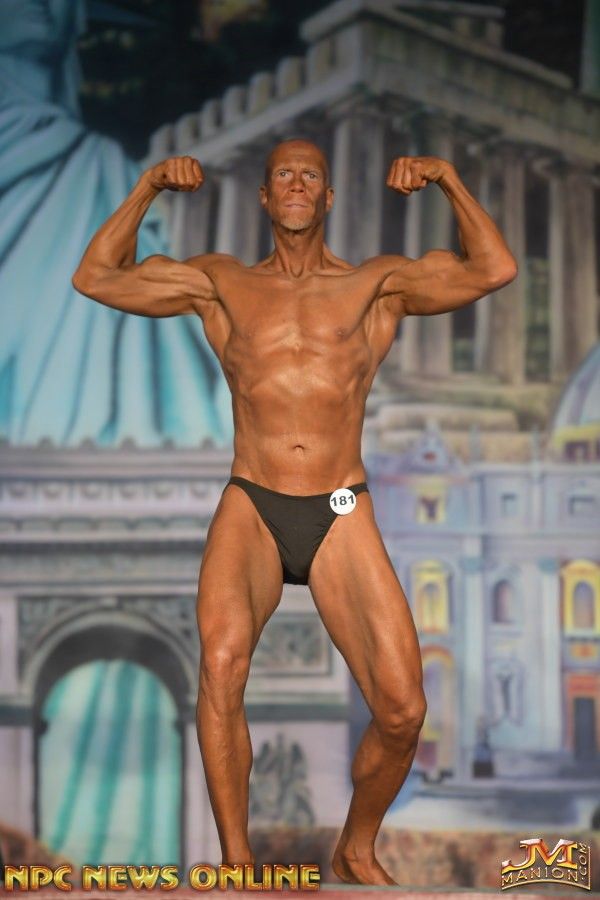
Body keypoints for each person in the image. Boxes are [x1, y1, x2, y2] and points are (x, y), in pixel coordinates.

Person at [72, 141, 517, 884]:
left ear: (329, 197)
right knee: (220, 665)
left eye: (312, 174)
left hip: (340, 503)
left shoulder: (376, 285)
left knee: (403, 709)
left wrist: (447, 178)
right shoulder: (221, 282)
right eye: (284, 172)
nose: (298, 182)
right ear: (265, 196)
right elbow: (96, 276)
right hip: (253, 498)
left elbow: (493, 267)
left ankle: (355, 846)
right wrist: (148, 185)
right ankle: (238, 864)